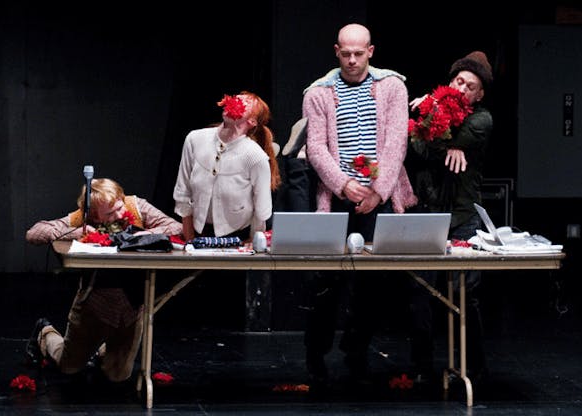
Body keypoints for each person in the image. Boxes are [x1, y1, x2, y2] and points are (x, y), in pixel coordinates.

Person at [302, 23, 417, 387]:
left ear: (371, 51)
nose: (352, 60)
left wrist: (377, 192)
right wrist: (343, 184)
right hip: (337, 199)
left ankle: (356, 349)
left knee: (372, 281)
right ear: (336, 51)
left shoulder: (393, 87)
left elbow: (397, 143)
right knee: (326, 282)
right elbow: (316, 148)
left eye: (358, 53)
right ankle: (316, 355)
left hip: (377, 199)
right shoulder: (318, 92)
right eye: (345, 53)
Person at [25, 178, 182, 382]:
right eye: (109, 214)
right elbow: (34, 233)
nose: (118, 214)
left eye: (118, 207)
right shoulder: (84, 217)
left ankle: (103, 350)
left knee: (118, 376)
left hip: (131, 307)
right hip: (94, 304)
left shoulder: (135, 206)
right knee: (68, 367)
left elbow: (176, 227)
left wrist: (146, 234)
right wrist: (76, 232)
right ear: (95, 215)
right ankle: (46, 334)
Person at [406, 51, 494, 383]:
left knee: (465, 294)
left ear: (479, 94)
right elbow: (419, 146)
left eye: (470, 86)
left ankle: (475, 368)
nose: (462, 88)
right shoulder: (432, 109)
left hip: (463, 216)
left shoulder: (482, 118)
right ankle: (421, 367)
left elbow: (457, 137)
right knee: (421, 292)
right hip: (428, 213)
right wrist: (431, 118)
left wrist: (431, 118)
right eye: (458, 81)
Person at [173, 91, 278, 241]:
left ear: (252, 121)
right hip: (198, 234)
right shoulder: (195, 139)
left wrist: (251, 242)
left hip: (237, 237)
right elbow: (183, 192)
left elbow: (261, 209)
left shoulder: (256, 157)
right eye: (235, 99)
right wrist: (190, 240)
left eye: (245, 104)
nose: (235, 103)